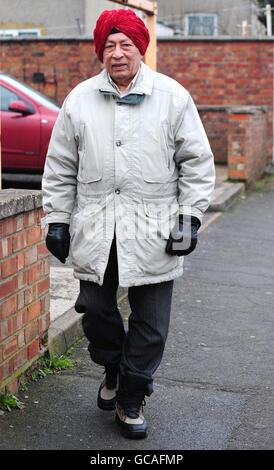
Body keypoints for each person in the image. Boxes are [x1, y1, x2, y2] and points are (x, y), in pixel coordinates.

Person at [42, 9, 215, 440]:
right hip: (97, 228)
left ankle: (131, 397)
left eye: (127, 45)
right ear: (100, 50)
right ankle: (115, 367)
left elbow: (196, 162)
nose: (117, 54)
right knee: (95, 310)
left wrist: (190, 217)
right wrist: (58, 219)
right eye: (109, 45)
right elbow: (60, 166)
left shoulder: (173, 97)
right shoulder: (79, 99)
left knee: (151, 323)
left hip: (155, 229)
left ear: (142, 48)